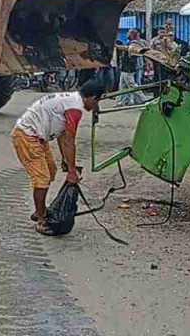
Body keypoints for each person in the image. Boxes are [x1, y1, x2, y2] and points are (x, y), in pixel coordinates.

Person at [11, 80, 104, 235]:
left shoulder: (72, 100)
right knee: (42, 178)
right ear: (92, 97)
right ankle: (41, 218)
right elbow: (69, 140)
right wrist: (72, 171)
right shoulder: (75, 107)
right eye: (97, 101)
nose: (96, 106)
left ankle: (38, 211)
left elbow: (62, 135)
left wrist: (66, 162)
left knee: (50, 171)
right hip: (27, 136)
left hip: (37, 136)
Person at [116, 29, 146, 106]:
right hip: (124, 68)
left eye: (129, 33)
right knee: (122, 86)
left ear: (133, 35)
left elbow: (126, 48)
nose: (127, 35)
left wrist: (115, 45)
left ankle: (143, 99)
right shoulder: (129, 42)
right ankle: (122, 102)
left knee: (132, 86)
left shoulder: (135, 43)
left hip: (129, 69)